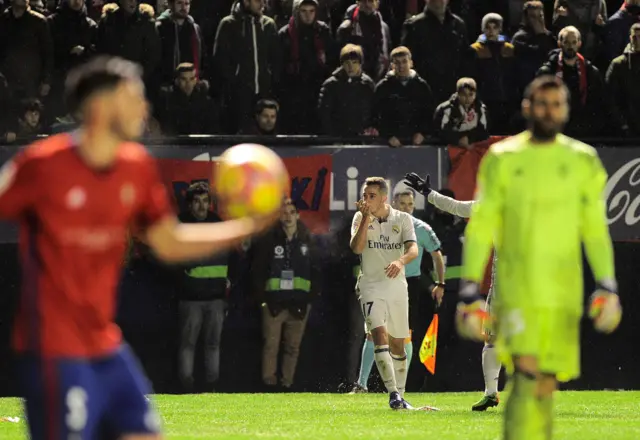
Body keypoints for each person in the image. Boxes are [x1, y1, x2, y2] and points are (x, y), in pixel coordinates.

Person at [2, 56, 277, 440]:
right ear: (100, 105)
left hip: (104, 344)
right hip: (53, 349)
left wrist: (245, 227)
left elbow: (168, 241)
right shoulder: (43, 166)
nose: (144, 107)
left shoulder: (137, 168)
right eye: (134, 97)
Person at [455, 75, 622, 440]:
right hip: (516, 289)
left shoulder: (582, 159)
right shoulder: (503, 158)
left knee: (544, 386)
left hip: (561, 292)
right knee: (527, 374)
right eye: (541, 103)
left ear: (565, 109)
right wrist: (469, 288)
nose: (549, 111)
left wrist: (607, 284)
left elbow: (594, 229)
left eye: (556, 104)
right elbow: (482, 226)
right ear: (527, 107)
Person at [403, 173, 501, 411]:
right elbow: (456, 207)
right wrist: (428, 193)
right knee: (492, 340)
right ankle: (491, 393)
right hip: (502, 287)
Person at [350, 190, 445, 394]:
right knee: (373, 333)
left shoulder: (420, 228)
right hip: (380, 281)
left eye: (409, 204)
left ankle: (399, 388)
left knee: (403, 336)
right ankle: (362, 384)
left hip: (408, 283)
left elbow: (437, 255)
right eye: (402, 203)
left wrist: (441, 283)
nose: (405, 207)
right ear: (393, 202)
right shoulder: (380, 222)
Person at [350, 177, 418, 409]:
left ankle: (401, 393)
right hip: (370, 286)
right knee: (379, 335)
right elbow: (356, 248)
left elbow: (413, 249)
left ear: (383, 198)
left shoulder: (402, 219)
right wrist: (366, 218)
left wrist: (400, 262)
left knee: (398, 344)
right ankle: (393, 394)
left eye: (371, 196)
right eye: (364, 195)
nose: (366, 200)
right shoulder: (360, 217)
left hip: (396, 287)